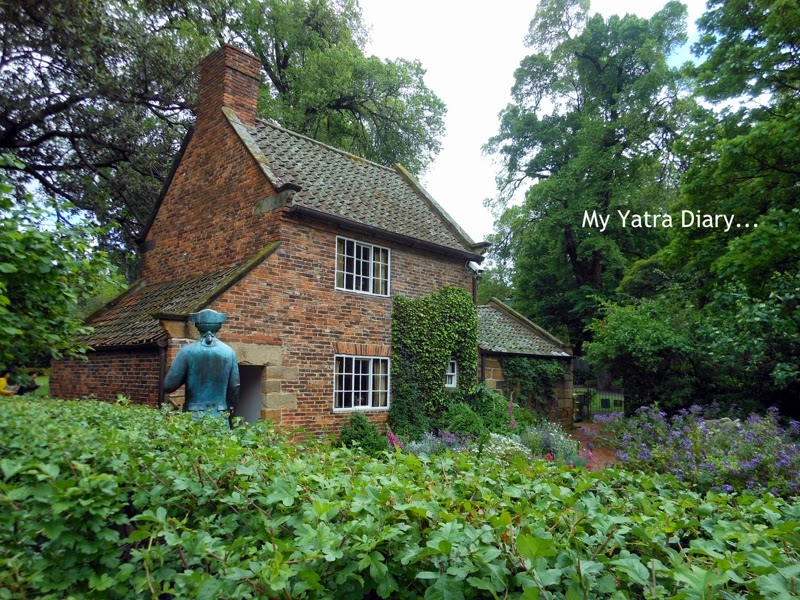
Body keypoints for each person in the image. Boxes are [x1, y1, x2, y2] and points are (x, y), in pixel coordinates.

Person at [163, 309, 239, 422]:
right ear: (218, 326)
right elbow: (235, 387)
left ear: (197, 326)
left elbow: (168, 386)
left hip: (194, 416)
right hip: (220, 417)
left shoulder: (187, 352)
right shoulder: (229, 352)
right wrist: (231, 408)